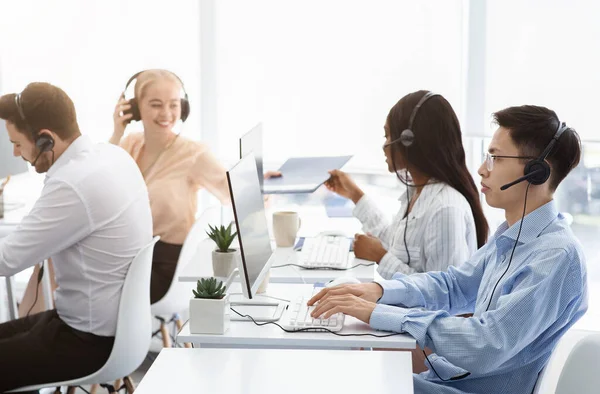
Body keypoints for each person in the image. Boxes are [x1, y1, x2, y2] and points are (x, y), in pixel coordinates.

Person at [309, 104, 587, 394]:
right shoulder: (513, 238)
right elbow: (454, 285)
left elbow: (485, 343)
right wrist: (380, 292)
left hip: (467, 390)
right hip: (449, 379)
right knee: (335, 371)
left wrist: (379, 313)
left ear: (536, 172)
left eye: (495, 158)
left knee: (337, 380)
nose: (482, 169)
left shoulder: (555, 256)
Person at [0, 82, 152, 391]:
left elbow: (6, 260)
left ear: (46, 139)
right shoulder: (112, 156)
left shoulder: (72, 184)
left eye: (17, 143)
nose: (16, 153)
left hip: (88, 344)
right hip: (114, 332)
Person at [326, 90, 488, 279]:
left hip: (414, 309)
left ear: (408, 140)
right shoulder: (418, 193)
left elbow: (443, 294)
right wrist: (354, 194)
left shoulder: (445, 209)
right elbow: (395, 241)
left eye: (387, 136)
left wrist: (380, 257)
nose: (384, 146)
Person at [110, 69, 230, 304]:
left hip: (167, 268)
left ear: (183, 108)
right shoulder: (130, 144)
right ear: (134, 109)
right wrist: (117, 131)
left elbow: (233, 191)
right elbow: (99, 183)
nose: (166, 113)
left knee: (90, 288)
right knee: (65, 258)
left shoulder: (193, 154)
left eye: (174, 105)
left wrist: (261, 180)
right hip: (130, 259)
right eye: (156, 104)